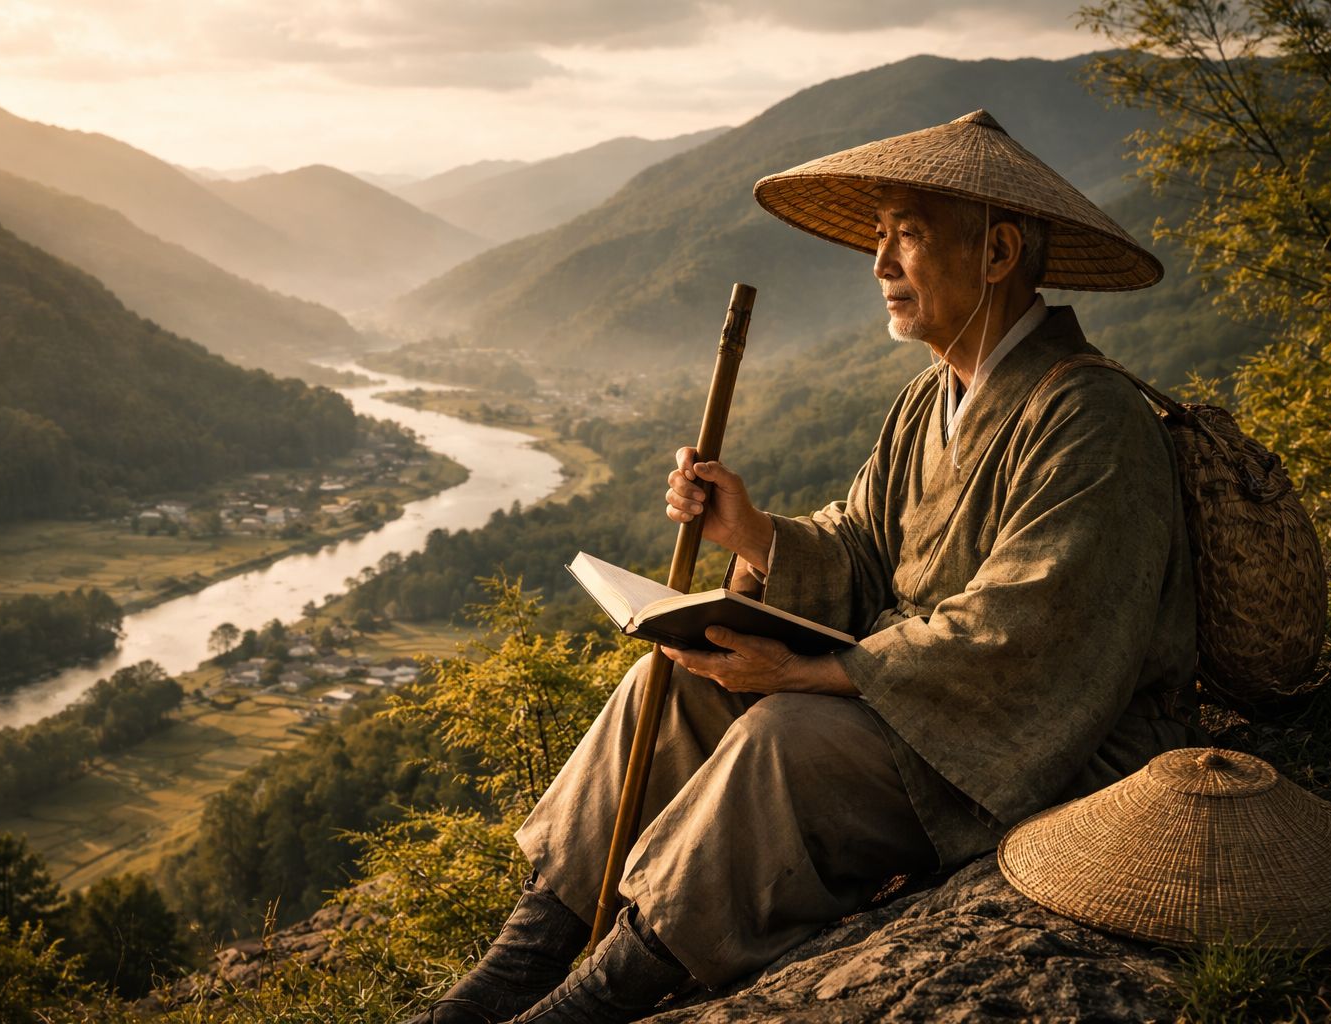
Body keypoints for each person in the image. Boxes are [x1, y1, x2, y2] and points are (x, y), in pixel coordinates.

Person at [410, 110, 1210, 1024]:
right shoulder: (926, 403)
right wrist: (752, 532)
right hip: (921, 707)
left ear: (996, 253)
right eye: (879, 237)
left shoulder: (1091, 418)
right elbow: (865, 547)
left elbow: (1031, 636)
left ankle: (597, 996)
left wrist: (809, 674)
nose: (880, 265)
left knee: (783, 737)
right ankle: (514, 971)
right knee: (663, 690)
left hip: (1051, 744)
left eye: (907, 235)